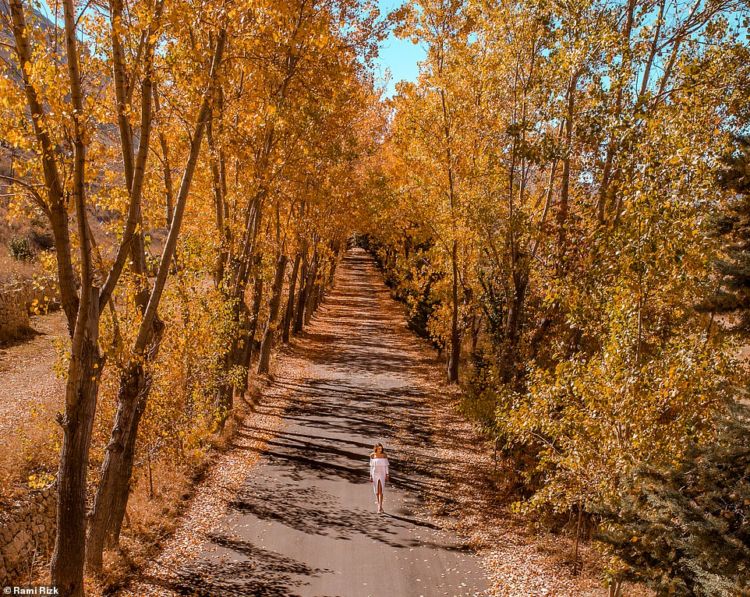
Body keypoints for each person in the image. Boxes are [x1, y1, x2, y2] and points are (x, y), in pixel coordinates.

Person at [369, 443, 389, 514]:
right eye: (379, 448)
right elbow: (371, 467)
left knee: (381, 490)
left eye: (381, 448)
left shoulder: (384, 455)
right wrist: (370, 476)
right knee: (377, 491)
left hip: (382, 474)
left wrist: (387, 474)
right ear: (376, 448)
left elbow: (386, 466)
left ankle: (380, 506)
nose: (380, 450)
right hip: (375, 474)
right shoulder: (372, 455)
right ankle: (379, 505)